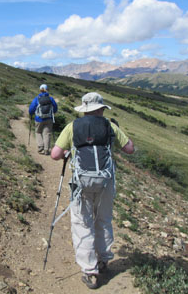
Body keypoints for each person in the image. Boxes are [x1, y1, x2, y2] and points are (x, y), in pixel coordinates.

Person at [51, 92, 134, 289]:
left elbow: (55, 154)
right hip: (106, 181)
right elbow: (129, 148)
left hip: (81, 183)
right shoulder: (110, 126)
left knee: (82, 222)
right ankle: (104, 259)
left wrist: (66, 152)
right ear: (102, 109)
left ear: (84, 109)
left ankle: (90, 270)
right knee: (103, 219)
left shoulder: (72, 126)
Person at [29, 84, 58, 155]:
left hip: (39, 119)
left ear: (40, 90)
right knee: (47, 134)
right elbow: (55, 108)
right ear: (47, 89)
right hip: (49, 119)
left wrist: (31, 114)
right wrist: (52, 113)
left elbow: (31, 108)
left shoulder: (37, 98)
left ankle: (40, 146)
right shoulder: (51, 99)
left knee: (38, 132)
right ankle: (46, 150)